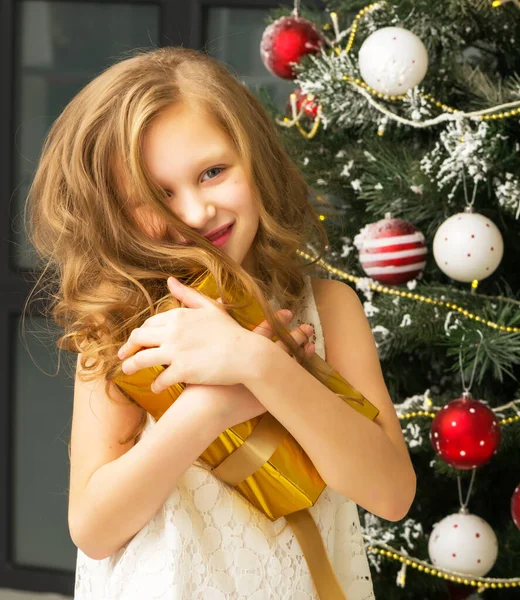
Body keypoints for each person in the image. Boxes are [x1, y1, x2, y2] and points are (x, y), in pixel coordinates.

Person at [24, 46, 416, 599]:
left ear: (255, 159)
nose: (194, 212)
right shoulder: (121, 327)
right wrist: (211, 408)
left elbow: (391, 493)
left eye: (212, 172)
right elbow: (94, 530)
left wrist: (260, 366)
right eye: (155, 195)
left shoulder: (328, 309)